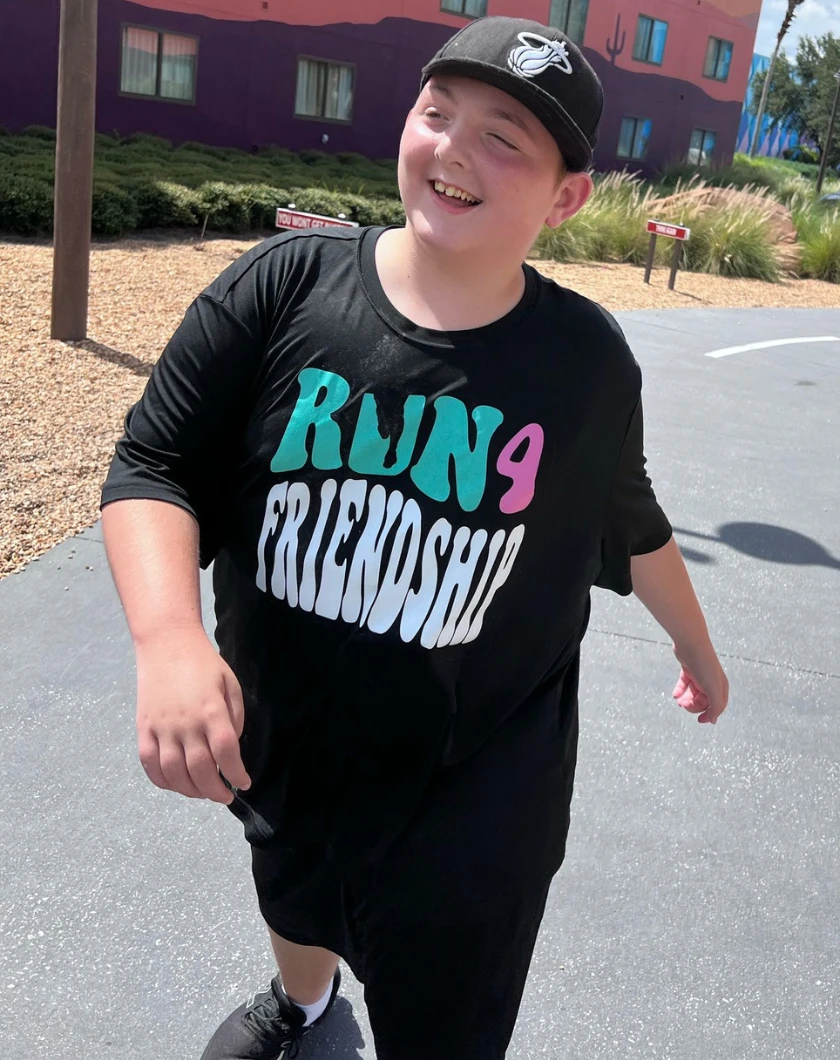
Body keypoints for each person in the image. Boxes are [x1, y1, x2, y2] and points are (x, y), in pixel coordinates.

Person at [100, 15, 729, 1060]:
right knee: (297, 893)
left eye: (503, 139)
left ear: (566, 197)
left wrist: (697, 646)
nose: (453, 149)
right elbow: (155, 465)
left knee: (445, 1009)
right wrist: (168, 637)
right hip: (290, 742)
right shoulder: (282, 289)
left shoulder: (584, 364)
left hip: (477, 789)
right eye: (438, 114)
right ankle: (302, 1005)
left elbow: (630, 516)